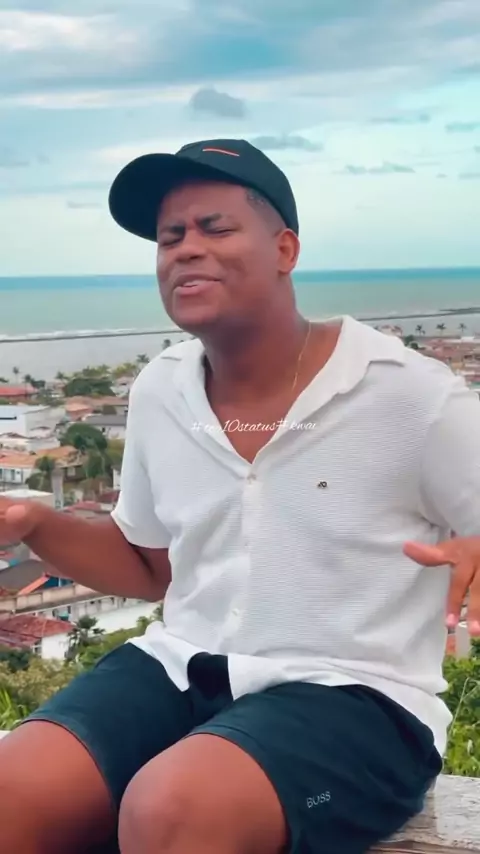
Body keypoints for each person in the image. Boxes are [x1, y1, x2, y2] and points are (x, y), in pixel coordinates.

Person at [0, 138, 479, 854]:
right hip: (181, 668)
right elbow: (152, 568)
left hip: (358, 698)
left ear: (285, 249)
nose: (186, 249)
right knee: (15, 791)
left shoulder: (411, 395)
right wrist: (35, 521)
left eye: (215, 227)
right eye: (170, 236)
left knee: (173, 811)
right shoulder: (161, 389)